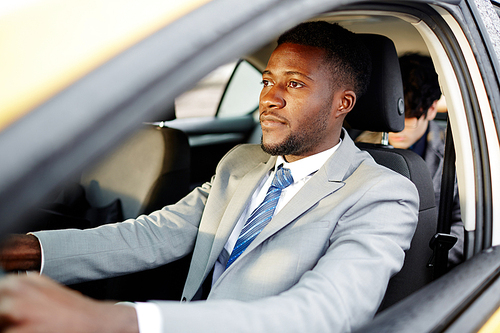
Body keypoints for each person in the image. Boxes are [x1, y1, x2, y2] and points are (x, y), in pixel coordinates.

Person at [0, 22, 419, 333]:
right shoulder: (240, 162)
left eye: (294, 84)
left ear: (342, 103)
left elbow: (324, 313)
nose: (269, 98)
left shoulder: (383, 194)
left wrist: (119, 319)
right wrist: (22, 250)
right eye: (267, 80)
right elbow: (153, 235)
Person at [356, 53, 463, 266]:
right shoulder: (357, 147)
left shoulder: (457, 157)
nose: (399, 127)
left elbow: (466, 228)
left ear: (432, 109)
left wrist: (422, 261)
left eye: (411, 117)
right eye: (397, 114)